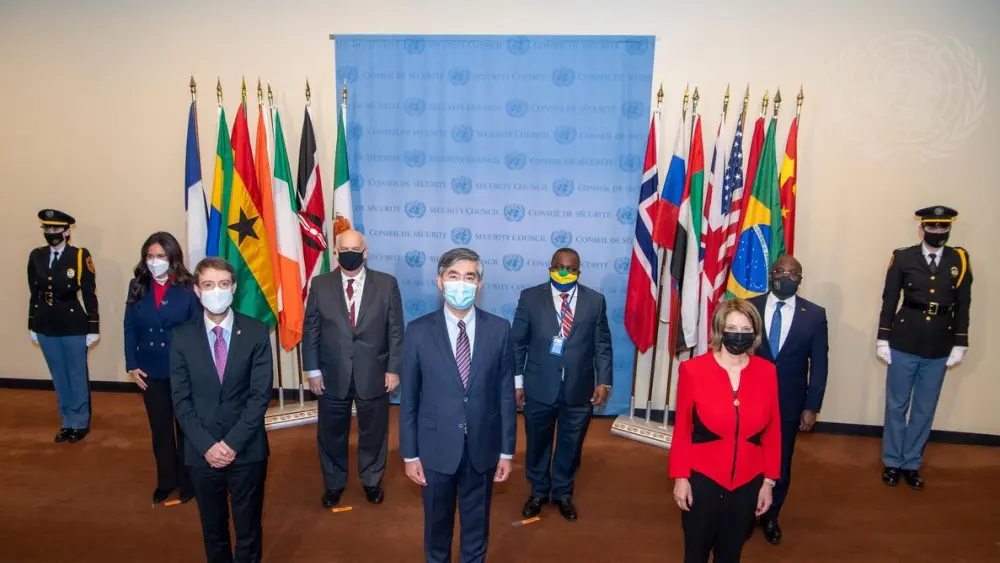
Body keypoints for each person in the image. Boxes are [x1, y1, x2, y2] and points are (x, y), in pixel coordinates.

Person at [399, 247, 517, 563]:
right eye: (454, 276)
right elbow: (409, 399)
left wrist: (507, 451)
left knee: (476, 528)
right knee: (437, 530)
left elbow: (505, 395)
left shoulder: (500, 329)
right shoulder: (419, 331)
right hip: (435, 449)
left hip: (483, 448)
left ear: (479, 284)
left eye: (469, 277)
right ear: (440, 282)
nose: (461, 284)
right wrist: (410, 455)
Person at [170, 257, 273, 563]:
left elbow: (259, 396)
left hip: (247, 450)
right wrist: (208, 446)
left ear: (234, 288)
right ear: (197, 290)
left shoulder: (256, 332)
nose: (217, 291)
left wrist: (230, 444)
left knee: (248, 528)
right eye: (209, 285)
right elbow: (181, 399)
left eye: (224, 284)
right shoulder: (182, 336)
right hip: (202, 452)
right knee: (213, 529)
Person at [669, 298, 782, 563]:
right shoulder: (692, 370)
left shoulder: (767, 372)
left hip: (748, 479)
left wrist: (768, 482)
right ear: (720, 330)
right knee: (695, 552)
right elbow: (683, 428)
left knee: (731, 553)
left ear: (755, 333)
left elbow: (773, 430)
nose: (739, 335)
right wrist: (680, 477)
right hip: (703, 477)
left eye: (746, 330)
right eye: (732, 328)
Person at [302, 229, 404, 508]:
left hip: (374, 372)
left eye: (355, 249)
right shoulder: (320, 285)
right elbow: (311, 329)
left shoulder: (386, 284)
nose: (349, 254)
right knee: (331, 432)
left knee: (373, 431)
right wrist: (312, 370)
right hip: (331, 374)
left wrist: (393, 369)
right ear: (335, 252)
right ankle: (334, 483)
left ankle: (372, 481)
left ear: (365, 252)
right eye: (343, 249)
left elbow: (395, 330)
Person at [512, 247, 612, 522]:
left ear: (579, 271)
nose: (564, 272)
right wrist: (517, 382)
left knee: (571, 444)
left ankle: (563, 493)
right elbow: (518, 342)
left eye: (571, 268)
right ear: (550, 267)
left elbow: (602, 343)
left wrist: (604, 381)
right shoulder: (530, 298)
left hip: (579, 389)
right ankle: (538, 492)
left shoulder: (595, 301)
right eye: (559, 266)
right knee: (537, 443)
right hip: (538, 386)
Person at [876, 205, 972, 490]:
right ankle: (893, 461)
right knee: (897, 405)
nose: (938, 232)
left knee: (924, 408)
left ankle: (911, 463)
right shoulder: (903, 257)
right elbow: (890, 298)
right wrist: (883, 337)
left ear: (949, 229)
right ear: (922, 228)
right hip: (904, 340)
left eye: (944, 228)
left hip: (940, 343)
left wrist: (961, 341)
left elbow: (964, 304)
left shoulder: (960, 260)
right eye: (932, 227)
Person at [749, 255, 829, 545]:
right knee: (748, 457)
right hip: (748, 400)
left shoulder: (814, 314)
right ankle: (746, 514)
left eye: (793, 273)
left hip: (790, 402)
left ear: (800, 279)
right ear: (771, 275)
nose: (787, 277)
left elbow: (819, 364)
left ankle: (771, 516)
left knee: (780, 460)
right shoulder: (750, 307)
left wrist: (812, 406)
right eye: (781, 271)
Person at [124, 232, 202, 505]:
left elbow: (197, 329)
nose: (155, 261)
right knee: (160, 429)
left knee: (186, 428)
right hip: (150, 369)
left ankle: (188, 481)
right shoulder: (137, 285)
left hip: (182, 369)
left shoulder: (188, 287)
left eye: (161, 256)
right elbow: (130, 327)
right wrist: (132, 365)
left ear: (172, 258)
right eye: (150, 256)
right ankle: (166, 481)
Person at [28, 209, 99, 442]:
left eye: (56, 228)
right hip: (45, 324)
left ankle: (79, 422)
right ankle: (66, 421)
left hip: (73, 323)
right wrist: (32, 323)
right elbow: (34, 293)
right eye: (47, 229)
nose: (51, 233)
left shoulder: (79, 256)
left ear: (68, 231)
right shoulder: (36, 256)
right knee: (58, 375)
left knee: (76, 374)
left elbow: (89, 294)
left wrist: (93, 326)